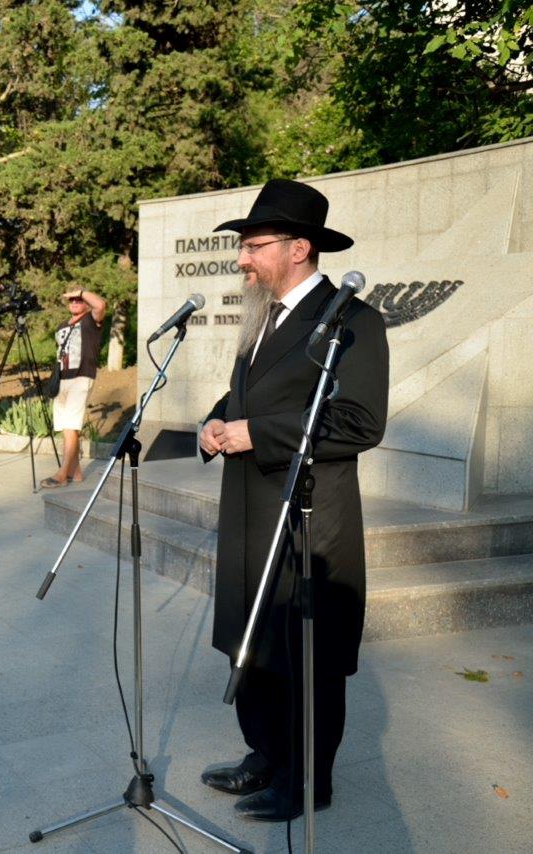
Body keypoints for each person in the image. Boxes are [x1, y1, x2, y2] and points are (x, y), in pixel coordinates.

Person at [195, 179, 389, 823]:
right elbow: (247, 399)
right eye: (244, 246)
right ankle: (266, 754)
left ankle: (308, 780)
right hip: (248, 508)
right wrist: (217, 421)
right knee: (250, 640)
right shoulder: (263, 315)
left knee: (305, 651)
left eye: (254, 246)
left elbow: (360, 421)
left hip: (308, 516)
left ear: (299, 247)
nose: (243, 259)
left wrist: (258, 434)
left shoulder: (352, 320)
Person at [41, 286, 107, 488]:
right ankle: (75, 472)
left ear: (85, 302)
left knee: (71, 425)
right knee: (65, 427)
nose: (75, 303)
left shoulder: (90, 320)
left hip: (82, 377)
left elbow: (101, 304)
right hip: (63, 378)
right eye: (72, 301)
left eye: (78, 300)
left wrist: (80, 291)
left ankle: (62, 474)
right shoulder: (61, 325)